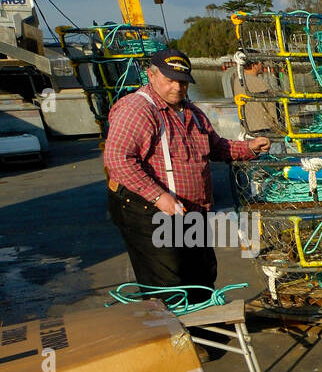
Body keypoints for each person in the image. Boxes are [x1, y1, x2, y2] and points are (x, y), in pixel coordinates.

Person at [103, 48, 271, 306]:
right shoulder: (136, 109)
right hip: (148, 209)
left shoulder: (192, 112)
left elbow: (216, 147)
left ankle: (205, 330)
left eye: (182, 82)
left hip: (189, 208)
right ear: (151, 74)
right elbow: (118, 160)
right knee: (168, 284)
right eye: (169, 80)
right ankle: (179, 339)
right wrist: (159, 197)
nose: (176, 87)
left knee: (201, 274)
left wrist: (248, 148)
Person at [232, 54, 282, 138]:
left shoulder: (237, 81)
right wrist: (276, 127)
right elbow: (271, 107)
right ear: (254, 65)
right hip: (264, 128)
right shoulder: (260, 83)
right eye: (261, 62)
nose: (263, 65)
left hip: (247, 128)